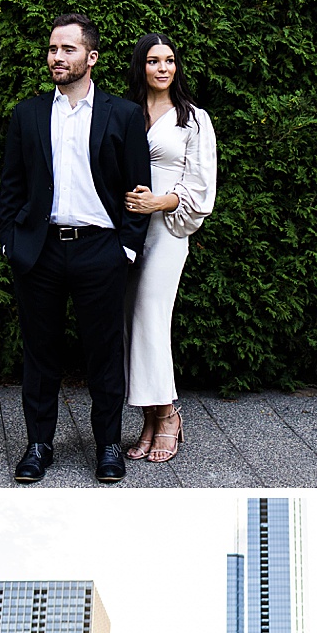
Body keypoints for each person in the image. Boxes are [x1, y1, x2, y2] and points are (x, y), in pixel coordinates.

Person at [0, 12, 152, 483]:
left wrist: (125, 249)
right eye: (52, 49)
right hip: (40, 252)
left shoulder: (122, 114)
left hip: (100, 250)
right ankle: (38, 444)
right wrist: (11, 243)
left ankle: (108, 445)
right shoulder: (27, 114)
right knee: (40, 355)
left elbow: (138, 190)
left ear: (92, 57)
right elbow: (12, 188)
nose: (57, 57)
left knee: (104, 355)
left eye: (67, 49)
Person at [122, 32, 217, 463]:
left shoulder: (193, 119)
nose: (163, 68)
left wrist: (161, 201)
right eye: (154, 61)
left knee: (149, 316)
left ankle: (168, 415)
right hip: (125, 229)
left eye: (170, 60)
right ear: (141, 67)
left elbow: (201, 185)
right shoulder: (125, 113)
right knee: (129, 320)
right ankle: (149, 420)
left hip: (167, 228)